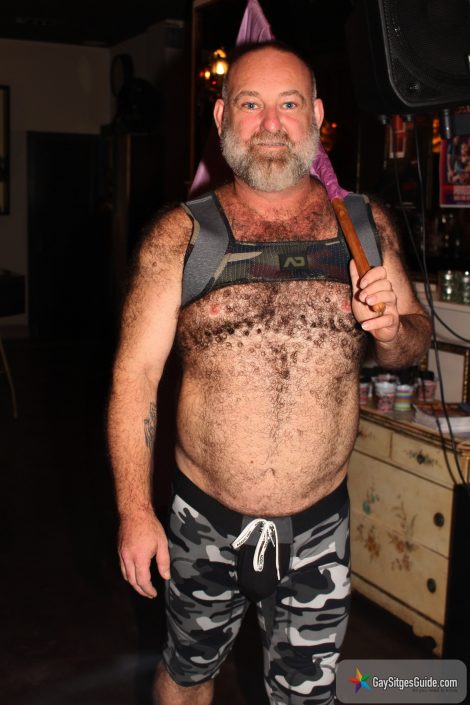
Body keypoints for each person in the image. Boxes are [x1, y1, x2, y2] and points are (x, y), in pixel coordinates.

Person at [107, 41, 431, 705]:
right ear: (222, 117)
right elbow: (134, 379)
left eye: (288, 103)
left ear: (316, 115)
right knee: (188, 675)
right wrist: (135, 511)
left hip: (319, 530)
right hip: (202, 525)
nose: (271, 123)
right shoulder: (180, 237)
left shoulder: (365, 227)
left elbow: (412, 346)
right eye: (251, 104)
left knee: (308, 695)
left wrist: (393, 332)